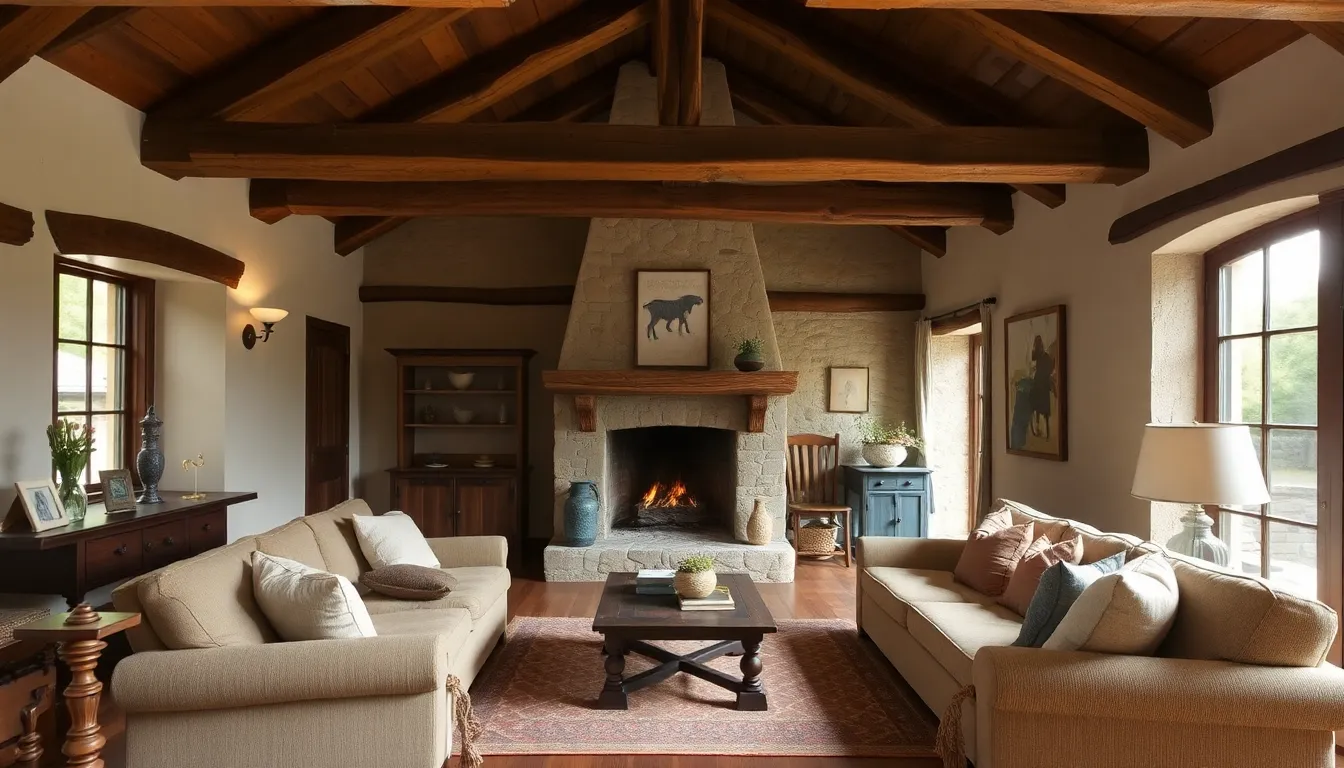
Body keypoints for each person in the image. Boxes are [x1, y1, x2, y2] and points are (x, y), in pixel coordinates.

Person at [1029, 334, 1054, 440]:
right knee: (1043, 409)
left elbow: (1034, 357)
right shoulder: (1043, 355)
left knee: (1038, 407)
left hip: (1040, 382)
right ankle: (1043, 430)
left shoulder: (1041, 355)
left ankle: (1039, 428)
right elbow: (1050, 367)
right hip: (1042, 383)